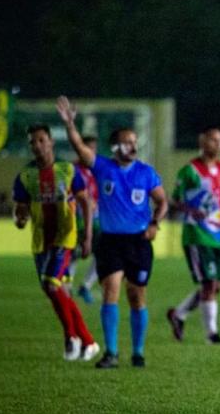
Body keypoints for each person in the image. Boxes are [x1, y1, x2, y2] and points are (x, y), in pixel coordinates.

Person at [57, 95, 168, 368]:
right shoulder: (103, 167)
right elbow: (80, 148)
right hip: (111, 242)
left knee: (137, 295)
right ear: (116, 146)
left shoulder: (146, 172)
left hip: (139, 242)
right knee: (111, 291)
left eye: (134, 141)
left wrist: (155, 223)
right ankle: (112, 353)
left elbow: (162, 201)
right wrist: (71, 124)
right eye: (127, 141)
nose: (133, 145)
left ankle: (138, 351)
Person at [12, 124, 100, 362]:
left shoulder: (67, 170)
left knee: (52, 285)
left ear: (51, 142)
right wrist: (19, 219)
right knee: (59, 291)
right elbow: (20, 208)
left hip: (66, 236)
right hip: (41, 240)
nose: (37, 146)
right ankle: (89, 341)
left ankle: (71, 338)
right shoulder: (25, 176)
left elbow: (85, 202)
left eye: (41, 140)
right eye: (33, 142)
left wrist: (88, 235)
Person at [166, 126, 220, 344]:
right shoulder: (189, 171)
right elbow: (174, 200)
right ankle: (211, 334)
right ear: (202, 141)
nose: (218, 144)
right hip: (196, 234)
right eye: (213, 140)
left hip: (217, 234)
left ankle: (178, 314)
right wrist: (190, 210)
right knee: (209, 285)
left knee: (216, 286)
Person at [68, 135, 101, 304]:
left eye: (94, 149)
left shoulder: (98, 168)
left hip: (96, 219)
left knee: (103, 254)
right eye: (89, 148)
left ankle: (85, 286)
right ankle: (67, 289)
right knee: (74, 253)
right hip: (76, 219)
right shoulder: (72, 169)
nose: (91, 152)